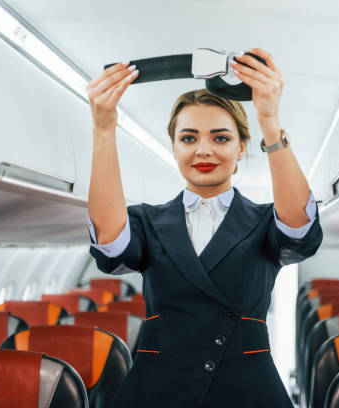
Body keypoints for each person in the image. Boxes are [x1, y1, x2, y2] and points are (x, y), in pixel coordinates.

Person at [85, 48, 323, 407]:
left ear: (243, 146)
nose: (204, 150)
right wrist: (103, 128)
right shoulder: (147, 221)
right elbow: (110, 246)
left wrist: (269, 120)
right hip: (158, 389)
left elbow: (300, 231)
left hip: (245, 390)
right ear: (175, 148)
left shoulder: (264, 222)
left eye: (221, 138)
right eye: (189, 138)